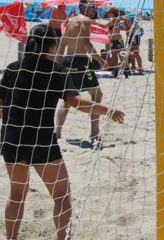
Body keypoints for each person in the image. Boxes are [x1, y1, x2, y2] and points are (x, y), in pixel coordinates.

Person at [0, 24, 124, 240]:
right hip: (41, 139)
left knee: (17, 194)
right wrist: (108, 110)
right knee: (61, 195)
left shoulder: (13, 68)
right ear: (53, 46)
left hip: (12, 137)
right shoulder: (56, 71)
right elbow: (77, 102)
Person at [55, 0, 110, 140]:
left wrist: (57, 65)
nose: (94, 9)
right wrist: (100, 60)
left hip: (68, 61)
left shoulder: (71, 21)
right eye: (92, 6)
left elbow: (62, 45)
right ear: (83, 6)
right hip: (81, 62)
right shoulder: (85, 21)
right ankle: (94, 132)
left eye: (95, 7)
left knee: (67, 99)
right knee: (97, 95)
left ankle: (58, 133)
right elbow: (86, 43)